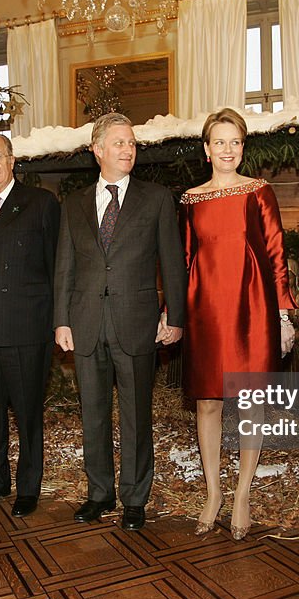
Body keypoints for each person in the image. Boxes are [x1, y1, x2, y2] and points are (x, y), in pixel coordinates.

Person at [54, 112, 187, 531]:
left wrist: (175, 315)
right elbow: (65, 267)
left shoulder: (157, 198)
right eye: (119, 143)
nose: (128, 149)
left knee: (135, 416)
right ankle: (99, 493)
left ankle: (134, 497)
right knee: (92, 413)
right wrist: (62, 320)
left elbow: (173, 262)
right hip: (87, 322)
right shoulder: (74, 203)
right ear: (97, 150)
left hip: (137, 322)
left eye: (131, 143)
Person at [180, 108, 296, 540]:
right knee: (209, 402)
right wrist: (177, 313)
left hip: (251, 307)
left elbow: (275, 253)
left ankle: (243, 493)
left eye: (236, 142)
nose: (228, 150)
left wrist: (283, 313)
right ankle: (213, 492)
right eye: (220, 142)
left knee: (248, 401)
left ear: (242, 148)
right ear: (206, 149)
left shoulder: (258, 192)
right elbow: (184, 258)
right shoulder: (191, 198)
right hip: (205, 308)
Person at [0, 133, 60, 517]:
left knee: (27, 411)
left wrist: (57, 323)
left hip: (25, 325)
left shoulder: (40, 203)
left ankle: (28, 487)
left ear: (12, 159)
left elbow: (56, 267)